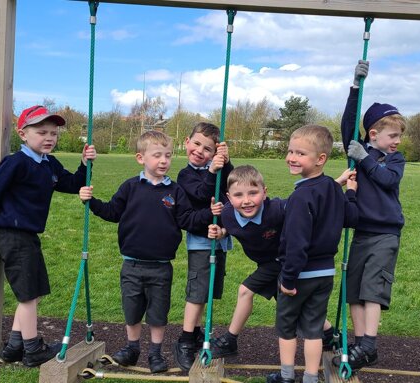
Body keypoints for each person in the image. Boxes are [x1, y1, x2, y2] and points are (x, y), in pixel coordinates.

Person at [0, 105, 97, 367]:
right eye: (41, 132)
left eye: (54, 133)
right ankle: (33, 348)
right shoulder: (16, 163)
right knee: (28, 296)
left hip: (28, 236)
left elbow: (71, 184)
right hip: (13, 235)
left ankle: (15, 346)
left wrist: (84, 165)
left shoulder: (48, 163)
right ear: (23, 134)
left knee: (32, 294)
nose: (49, 137)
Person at [78, 130, 212, 373]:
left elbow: (187, 219)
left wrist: (210, 213)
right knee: (132, 309)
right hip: (132, 264)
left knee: (158, 312)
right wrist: (91, 201)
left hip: (161, 266)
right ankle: (132, 348)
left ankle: (155, 352)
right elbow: (112, 212)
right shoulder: (130, 187)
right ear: (141, 158)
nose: (164, 161)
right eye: (157, 155)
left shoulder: (175, 191)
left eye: (168, 156)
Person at [206, 166, 347, 360]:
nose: (246, 201)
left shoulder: (278, 209)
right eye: (238, 195)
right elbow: (230, 229)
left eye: (253, 193)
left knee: (245, 291)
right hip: (265, 263)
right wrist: (220, 233)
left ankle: (230, 339)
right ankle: (329, 335)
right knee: (295, 307)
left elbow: (307, 198)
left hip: (284, 261)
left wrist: (337, 182)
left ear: (265, 193)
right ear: (229, 198)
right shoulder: (228, 215)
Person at [267, 125, 359, 383]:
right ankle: (310, 378)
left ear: (321, 159)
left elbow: (297, 243)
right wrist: (350, 192)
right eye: (290, 151)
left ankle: (286, 376)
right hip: (325, 274)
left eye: (300, 153)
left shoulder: (300, 196)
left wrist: (288, 279)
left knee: (287, 328)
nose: (292, 157)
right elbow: (351, 217)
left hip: (300, 274)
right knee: (313, 329)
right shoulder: (332, 187)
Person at [334, 60, 406, 371]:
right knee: (353, 289)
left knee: (373, 287)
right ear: (373, 134)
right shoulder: (359, 148)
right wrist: (355, 85)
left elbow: (388, 181)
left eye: (399, 136)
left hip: (386, 234)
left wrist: (366, 160)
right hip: (363, 232)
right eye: (392, 136)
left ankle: (369, 343)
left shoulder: (395, 160)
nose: (397, 141)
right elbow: (348, 124)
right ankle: (362, 342)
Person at [173, 122, 233, 371]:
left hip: (219, 241)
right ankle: (186, 340)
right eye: (196, 144)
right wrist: (212, 171)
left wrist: (226, 163)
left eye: (208, 149)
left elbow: (231, 187)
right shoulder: (186, 175)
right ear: (187, 142)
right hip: (199, 242)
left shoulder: (218, 170)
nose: (200, 151)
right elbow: (200, 194)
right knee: (197, 293)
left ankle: (196, 332)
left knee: (208, 292)